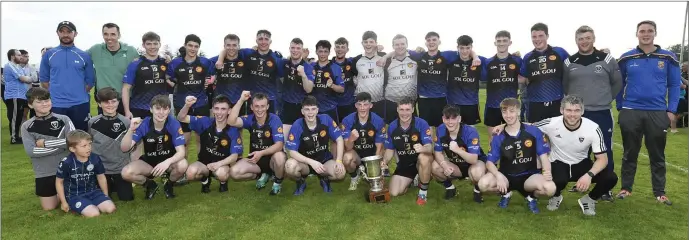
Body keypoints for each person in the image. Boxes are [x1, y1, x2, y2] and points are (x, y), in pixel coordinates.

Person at [615, 20, 681, 205]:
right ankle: (625, 189)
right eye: (642, 31)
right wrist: (621, 106)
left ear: (655, 33)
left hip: (657, 112)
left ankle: (659, 193)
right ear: (636, 33)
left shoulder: (668, 57)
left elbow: (674, 85)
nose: (646, 34)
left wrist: (671, 110)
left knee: (657, 154)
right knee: (629, 153)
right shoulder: (627, 57)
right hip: (631, 110)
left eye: (649, 31)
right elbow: (619, 84)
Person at [528, 95, 618, 216]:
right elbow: (526, 127)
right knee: (557, 181)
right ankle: (556, 196)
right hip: (558, 162)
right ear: (561, 110)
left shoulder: (593, 128)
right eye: (569, 110)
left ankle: (589, 199)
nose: (572, 114)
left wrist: (589, 175)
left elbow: (603, 159)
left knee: (610, 178)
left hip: (581, 163)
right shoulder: (551, 123)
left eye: (576, 110)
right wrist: (502, 127)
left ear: (582, 111)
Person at [562, 25, 622, 201]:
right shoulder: (569, 61)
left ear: (593, 39)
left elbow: (617, 83)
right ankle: (582, 182)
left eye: (587, 38)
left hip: (601, 112)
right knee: (579, 150)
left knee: (604, 150)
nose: (584, 41)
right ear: (576, 41)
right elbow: (566, 86)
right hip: (577, 114)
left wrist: (604, 99)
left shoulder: (607, 59)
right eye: (581, 38)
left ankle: (605, 188)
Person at [477, 98, 555, 214]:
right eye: (505, 112)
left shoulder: (533, 131)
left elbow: (543, 156)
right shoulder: (498, 135)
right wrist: (498, 175)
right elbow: (489, 162)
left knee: (550, 188)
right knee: (483, 184)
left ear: (518, 112)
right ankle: (506, 193)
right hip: (506, 176)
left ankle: (531, 197)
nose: (508, 115)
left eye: (512, 111)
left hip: (529, 176)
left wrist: (547, 171)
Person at [120, 95, 188, 200]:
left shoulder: (173, 123)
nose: (161, 112)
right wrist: (131, 130)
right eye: (158, 108)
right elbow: (124, 148)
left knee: (183, 165)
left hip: (169, 162)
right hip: (150, 162)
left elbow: (181, 152)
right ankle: (150, 185)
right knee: (126, 173)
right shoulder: (144, 124)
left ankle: (169, 185)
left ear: (169, 110)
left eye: (165, 109)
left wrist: (167, 162)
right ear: (151, 109)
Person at [20, 87, 75, 210]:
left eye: (46, 100)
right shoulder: (26, 126)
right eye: (39, 102)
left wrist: (45, 143)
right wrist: (61, 146)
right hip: (44, 172)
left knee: (70, 202)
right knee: (49, 208)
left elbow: (74, 141)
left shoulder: (64, 119)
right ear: (30, 105)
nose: (44, 104)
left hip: (67, 169)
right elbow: (32, 151)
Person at [177, 95, 243, 193]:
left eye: (223, 109)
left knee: (222, 174)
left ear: (229, 111)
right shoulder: (205, 121)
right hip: (204, 163)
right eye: (216, 108)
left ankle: (223, 183)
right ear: (212, 109)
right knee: (190, 174)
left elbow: (234, 156)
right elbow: (181, 118)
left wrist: (218, 164)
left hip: (221, 164)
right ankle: (205, 180)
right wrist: (187, 105)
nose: (219, 112)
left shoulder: (233, 130)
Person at [227, 91, 287, 195]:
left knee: (280, 157)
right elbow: (231, 121)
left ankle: (277, 182)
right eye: (256, 106)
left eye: (262, 106)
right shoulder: (250, 119)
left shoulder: (274, 119)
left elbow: (279, 145)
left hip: (272, 160)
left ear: (268, 106)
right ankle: (261, 175)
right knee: (234, 172)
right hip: (256, 161)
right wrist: (241, 100)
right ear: (251, 107)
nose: (259, 110)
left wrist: (261, 153)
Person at [39, 21, 95, 131]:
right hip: (57, 105)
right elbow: (44, 80)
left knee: (81, 137)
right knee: (58, 138)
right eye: (62, 31)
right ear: (57, 33)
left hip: (80, 104)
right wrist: (57, 92)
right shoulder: (49, 55)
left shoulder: (84, 55)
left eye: (69, 31)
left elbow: (90, 82)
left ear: (75, 34)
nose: (65, 35)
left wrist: (77, 92)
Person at [284, 96, 345, 195]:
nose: (310, 113)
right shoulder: (298, 125)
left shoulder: (325, 119)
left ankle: (324, 178)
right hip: (305, 163)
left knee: (340, 173)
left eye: (313, 109)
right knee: (290, 166)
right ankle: (300, 181)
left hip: (324, 161)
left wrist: (339, 160)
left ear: (317, 110)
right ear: (302, 111)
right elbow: (292, 152)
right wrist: (311, 162)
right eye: (307, 109)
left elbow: (339, 139)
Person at [167, 34, 215, 158]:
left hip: (201, 104)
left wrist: (209, 82)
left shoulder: (205, 62)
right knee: (184, 139)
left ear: (199, 48)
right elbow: (167, 77)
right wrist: (175, 85)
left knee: (201, 138)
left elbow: (214, 75)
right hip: (182, 105)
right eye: (190, 45)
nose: (193, 49)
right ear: (185, 45)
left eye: (196, 46)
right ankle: (182, 167)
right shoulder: (175, 63)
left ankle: (201, 164)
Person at [215, 30, 285, 115]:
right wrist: (220, 59)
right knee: (251, 125)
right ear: (256, 41)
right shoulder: (248, 54)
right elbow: (230, 50)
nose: (263, 42)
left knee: (270, 125)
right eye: (260, 39)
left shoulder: (276, 58)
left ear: (270, 41)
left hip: (270, 98)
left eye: (266, 39)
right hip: (252, 98)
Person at [382, 97, 434, 205]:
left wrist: (423, 148)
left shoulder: (421, 124)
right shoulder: (392, 127)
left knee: (423, 157)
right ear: (397, 110)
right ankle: (413, 179)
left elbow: (430, 147)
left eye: (407, 109)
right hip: (405, 164)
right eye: (401, 109)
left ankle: (423, 192)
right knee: (394, 192)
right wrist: (384, 162)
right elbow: (390, 150)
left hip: (419, 162)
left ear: (413, 110)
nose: (404, 113)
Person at [432, 104, 486, 203]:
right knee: (434, 166)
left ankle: (477, 191)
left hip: (474, 164)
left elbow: (474, 159)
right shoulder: (440, 129)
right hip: (456, 165)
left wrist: (457, 150)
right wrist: (444, 166)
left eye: (453, 118)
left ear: (459, 119)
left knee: (476, 173)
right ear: (443, 119)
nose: (450, 122)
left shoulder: (470, 132)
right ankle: (450, 188)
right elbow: (437, 152)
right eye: (447, 118)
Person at [56, 130, 117, 217]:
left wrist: (105, 195)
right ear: (72, 149)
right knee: (94, 214)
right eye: (84, 146)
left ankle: (91, 204)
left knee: (110, 209)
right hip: (75, 195)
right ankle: (78, 207)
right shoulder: (66, 163)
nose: (88, 148)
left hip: (93, 192)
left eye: (89, 144)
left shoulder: (95, 158)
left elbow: (101, 177)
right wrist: (64, 202)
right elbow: (59, 182)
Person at [87, 87, 134, 201]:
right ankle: (108, 184)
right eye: (106, 102)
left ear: (118, 102)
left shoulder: (126, 122)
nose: (110, 105)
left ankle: (116, 183)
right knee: (101, 198)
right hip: (101, 169)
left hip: (120, 167)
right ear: (99, 104)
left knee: (127, 198)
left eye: (113, 101)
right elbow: (90, 143)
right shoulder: (92, 122)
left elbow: (131, 146)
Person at [520, 23, 570, 123]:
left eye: (540, 36)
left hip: (557, 102)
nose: (537, 39)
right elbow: (522, 78)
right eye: (534, 37)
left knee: (558, 136)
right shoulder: (527, 57)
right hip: (535, 104)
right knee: (537, 136)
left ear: (547, 36)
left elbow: (575, 65)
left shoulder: (560, 52)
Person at [88, 23, 139, 115]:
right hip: (104, 100)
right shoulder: (95, 50)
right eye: (106, 34)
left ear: (119, 35)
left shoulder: (131, 51)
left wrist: (166, 60)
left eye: (113, 34)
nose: (109, 38)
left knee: (127, 128)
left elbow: (144, 65)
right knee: (104, 128)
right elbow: (79, 60)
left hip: (126, 99)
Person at [483, 31, 524, 142]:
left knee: (514, 138)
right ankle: (493, 160)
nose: (501, 43)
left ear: (510, 42)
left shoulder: (517, 61)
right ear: (495, 43)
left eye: (504, 41)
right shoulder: (488, 62)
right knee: (493, 139)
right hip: (492, 106)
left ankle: (511, 160)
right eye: (499, 41)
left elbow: (525, 78)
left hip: (511, 106)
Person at [341, 92, 386, 190]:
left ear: (371, 105)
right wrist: (351, 139)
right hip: (356, 154)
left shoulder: (378, 121)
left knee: (378, 184)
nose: (362, 108)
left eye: (365, 104)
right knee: (346, 158)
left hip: (372, 154)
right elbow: (348, 147)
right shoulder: (347, 121)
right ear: (355, 105)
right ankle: (354, 177)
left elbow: (379, 147)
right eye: (359, 105)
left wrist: (376, 164)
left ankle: (373, 173)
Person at [123, 31, 169, 119]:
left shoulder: (166, 63)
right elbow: (126, 88)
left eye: (155, 44)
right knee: (139, 133)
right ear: (143, 45)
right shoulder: (135, 64)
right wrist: (127, 111)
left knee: (161, 133)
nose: (152, 47)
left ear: (160, 44)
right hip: (139, 108)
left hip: (161, 108)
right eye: (149, 44)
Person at [446, 35, 488, 126]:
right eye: (462, 48)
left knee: (470, 130)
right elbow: (433, 53)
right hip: (453, 103)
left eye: (468, 48)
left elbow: (497, 60)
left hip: (471, 104)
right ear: (457, 48)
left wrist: (475, 57)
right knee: (452, 130)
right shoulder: (451, 58)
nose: (464, 51)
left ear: (471, 47)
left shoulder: (480, 60)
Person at [280, 38, 315, 142]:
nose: (295, 50)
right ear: (289, 49)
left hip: (301, 106)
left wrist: (303, 75)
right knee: (284, 141)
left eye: (298, 48)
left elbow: (308, 89)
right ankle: (285, 157)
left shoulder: (308, 67)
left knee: (303, 140)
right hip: (286, 105)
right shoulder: (284, 63)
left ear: (302, 50)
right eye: (293, 48)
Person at [209, 34, 249, 116]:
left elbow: (257, 49)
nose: (231, 48)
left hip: (238, 102)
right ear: (224, 46)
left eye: (234, 45)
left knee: (237, 127)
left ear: (239, 46)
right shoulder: (214, 61)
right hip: (220, 102)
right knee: (219, 128)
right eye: (228, 45)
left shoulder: (246, 59)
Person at [350, 31, 387, 120]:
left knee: (379, 127)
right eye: (365, 42)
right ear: (362, 43)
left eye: (371, 42)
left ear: (376, 43)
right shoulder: (356, 60)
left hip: (379, 101)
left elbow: (396, 53)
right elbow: (353, 78)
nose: (368, 44)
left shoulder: (383, 57)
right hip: (363, 103)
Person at [311, 40, 345, 122]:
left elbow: (342, 89)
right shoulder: (311, 66)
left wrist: (332, 85)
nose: (323, 54)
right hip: (313, 109)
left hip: (330, 108)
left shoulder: (335, 68)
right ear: (316, 52)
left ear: (329, 52)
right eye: (320, 51)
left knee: (332, 134)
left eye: (325, 51)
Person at [4, 49, 33, 144]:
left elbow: (26, 77)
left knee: (19, 117)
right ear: (12, 56)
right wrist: (31, 78)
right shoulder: (9, 66)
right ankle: (14, 138)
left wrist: (28, 78)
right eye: (19, 55)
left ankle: (17, 136)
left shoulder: (18, 67)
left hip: (21, 96)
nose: (21, 57)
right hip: (14, 96)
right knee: (14, 118)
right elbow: (23, 78)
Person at [332, 37, 357, 123]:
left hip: (350, 104)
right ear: (334, 49)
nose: (340, 49)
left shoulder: (352, 62)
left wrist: (378, 50)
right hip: (334, 105)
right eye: (338, 47)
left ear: (347, 49)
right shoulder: (329, 64)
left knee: (349, 130)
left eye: (343, 47)